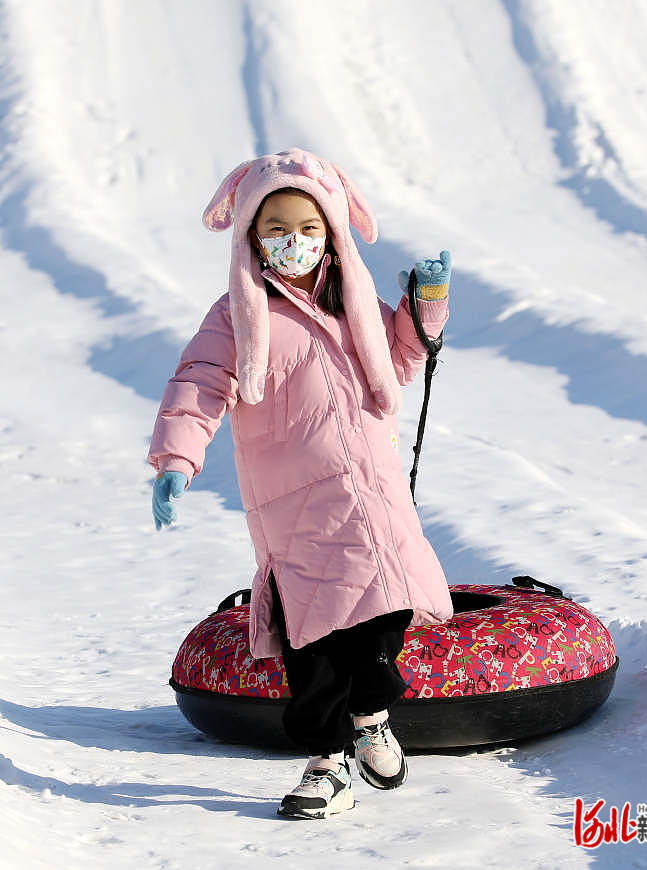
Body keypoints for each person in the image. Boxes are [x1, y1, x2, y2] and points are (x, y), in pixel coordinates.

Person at [148, 148, 454, 819]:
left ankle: (371, 715)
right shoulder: (236, 316)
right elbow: (199, 384)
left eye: (309, 228)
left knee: (382, 621)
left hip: (372, 499)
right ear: (252, 237)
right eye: (277, 228)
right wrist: (177, 459)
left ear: (333, 232)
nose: (294, 242)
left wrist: (424, 307)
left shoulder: (355, 304)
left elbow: (400, 358)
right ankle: (326, 764)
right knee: (312, 645)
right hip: (297, 514)